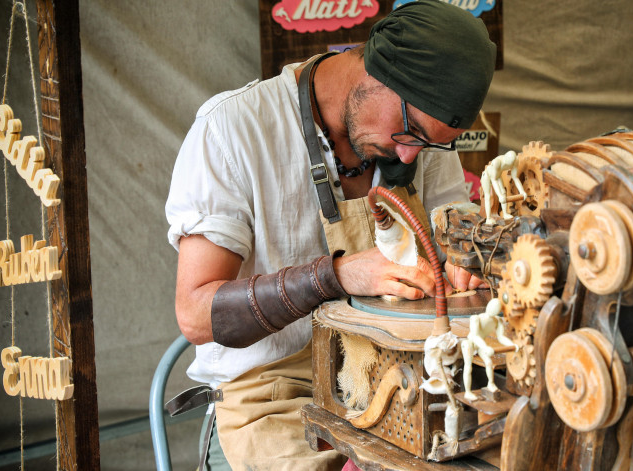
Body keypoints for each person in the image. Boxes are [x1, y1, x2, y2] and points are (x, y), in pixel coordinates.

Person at [164, 1, 496, 469]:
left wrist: (463, 266)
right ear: (376, 70)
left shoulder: (418, 140)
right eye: (408, 131)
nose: (407, 154)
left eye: (425, 143)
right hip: (274, 395)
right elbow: (195, 314)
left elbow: (454, 245)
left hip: (398, 372)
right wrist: (336, 276)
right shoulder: (233, 131)